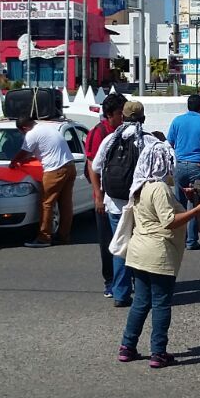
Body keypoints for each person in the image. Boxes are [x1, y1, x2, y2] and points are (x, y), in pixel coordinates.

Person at [117, 140, 200, 368]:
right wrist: (196, 210)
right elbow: (169, 220)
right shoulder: (159, 187)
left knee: (141, 302)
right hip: (157, 252)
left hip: (139, 251)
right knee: (160, 303)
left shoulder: (140, 185)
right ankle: (158, 352)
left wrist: (182, 198)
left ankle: (127, 346)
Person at [92, 100, 150, 306]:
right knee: (143, 247)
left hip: (115, 204)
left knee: (121, 247)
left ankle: (120, 293)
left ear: (123, 117)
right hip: (140, 204)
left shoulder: (110, 139)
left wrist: (99, 196)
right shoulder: (148, 140)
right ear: (143, 118)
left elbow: (96, 167)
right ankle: (143, 291)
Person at [13, 116, 77, 247]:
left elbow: (23, 152)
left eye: (21, 132)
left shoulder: (31, 134)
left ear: (24, 128)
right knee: (65, 204)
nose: (23, 135)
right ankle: (63, 236)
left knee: (46, 203)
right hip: (70, 166)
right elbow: (35, 151)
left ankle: (44, 237)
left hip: (55, 169)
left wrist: (13, 162)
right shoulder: (47, 127)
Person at [86, 93, 126, 297]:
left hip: (121, 196)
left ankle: (124, 280)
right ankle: (110, 281)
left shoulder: (123, 131)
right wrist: (98, 197)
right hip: (105, 196)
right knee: (108, 242)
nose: (123, 117)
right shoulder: (99, 133)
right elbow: (92, 165)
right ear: (109, 115)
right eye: (120, 113)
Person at [167, 94, 200, 250]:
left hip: (180, 167)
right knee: (196, 202)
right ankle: (191, 241)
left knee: (179, 202)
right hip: (198, 168)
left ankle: (180, 239)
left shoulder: (177, 121)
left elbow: (169, 144)